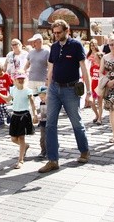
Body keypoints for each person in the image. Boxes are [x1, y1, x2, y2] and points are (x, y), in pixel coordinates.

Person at [38, 19, 92, 174]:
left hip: (71, 89)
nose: (56, 35)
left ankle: (84, 150)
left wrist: (89, 92)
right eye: (54, 33)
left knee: (76, 123)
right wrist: (47, 90)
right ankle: (52, 160)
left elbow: (84, 68)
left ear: (67, 31)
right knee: (49, 124)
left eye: (58, 32)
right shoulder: (54, 47)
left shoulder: (76, 45)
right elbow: (50, 69)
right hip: (54, 89)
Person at [0, 72, 38, 169]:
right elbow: (7, 99)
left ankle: (20, 160)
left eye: (22, 78)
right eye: (19, 79)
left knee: (21, 138)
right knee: (13, 139)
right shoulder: (13, 90)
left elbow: (33, 104)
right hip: (15, 116)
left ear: (25, 80)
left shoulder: (28, 91)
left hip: (24, 116)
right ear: (15, 80)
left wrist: (35, 115)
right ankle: (25, 146)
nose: (21, 80)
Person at [90, 52, 103, 124]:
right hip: (93, 87)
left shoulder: (103, 67)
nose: (94, 58)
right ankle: (97, 115)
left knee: (100, 103)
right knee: (92, 102)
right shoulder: (93, 67)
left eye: (95, 57)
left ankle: (100, 118)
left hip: (100, 87)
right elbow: (91, 75)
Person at [35, 86, 48, 158]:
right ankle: (43, 151)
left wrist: (41, 116)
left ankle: (51, 150)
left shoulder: (51, 103)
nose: (42, 99)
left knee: (49, 138)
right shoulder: (41, 103)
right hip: (42, 123)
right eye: (40, 97)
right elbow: (41, 112)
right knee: (42, 139)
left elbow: (49, 113)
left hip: (49, 123)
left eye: (43, 97)